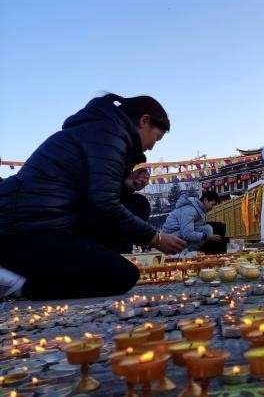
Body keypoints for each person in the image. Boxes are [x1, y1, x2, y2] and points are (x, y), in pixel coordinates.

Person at [0, 93, 187, 300]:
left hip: (45, 223)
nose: (152, 146)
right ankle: (15, 282)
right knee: (121, 275)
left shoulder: (102, 130)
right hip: (23, 230)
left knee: (136, 203)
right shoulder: (109, 135)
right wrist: (155, 238)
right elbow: (105, 203)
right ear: (144, 121)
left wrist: (125, 185)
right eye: (156, 138)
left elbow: (95, 193)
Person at [161, 190, 226, 253]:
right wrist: (207, 237)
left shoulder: (199, 210)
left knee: (208, 229)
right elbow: (187, 234)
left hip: (176, 235)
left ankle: (191, 252)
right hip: (169, 239)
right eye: (212, 204)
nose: (213, 208)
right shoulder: (190, 210)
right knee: (207, 230)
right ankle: (186, 254)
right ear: (205, 200)